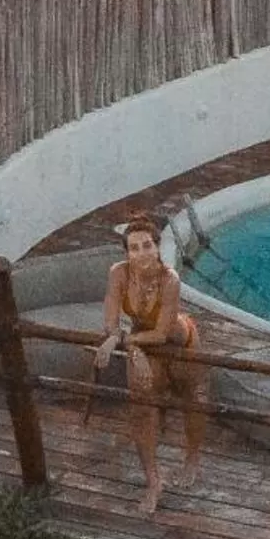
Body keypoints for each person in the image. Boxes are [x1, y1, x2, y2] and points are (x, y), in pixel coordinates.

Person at [95, 211, 206, 514]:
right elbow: (110, 319)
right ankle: (153, 482)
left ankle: (192, 458)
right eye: (134, 248)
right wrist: (119, 340)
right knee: (142, 409)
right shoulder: (118, 273)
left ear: (157, 247)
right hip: (144, 341)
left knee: (192, 399)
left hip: (178, 341)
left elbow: (160, 333)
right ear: (126, 252)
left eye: (147, 245)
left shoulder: (170, 279)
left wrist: (126, 343)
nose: (142, 253)